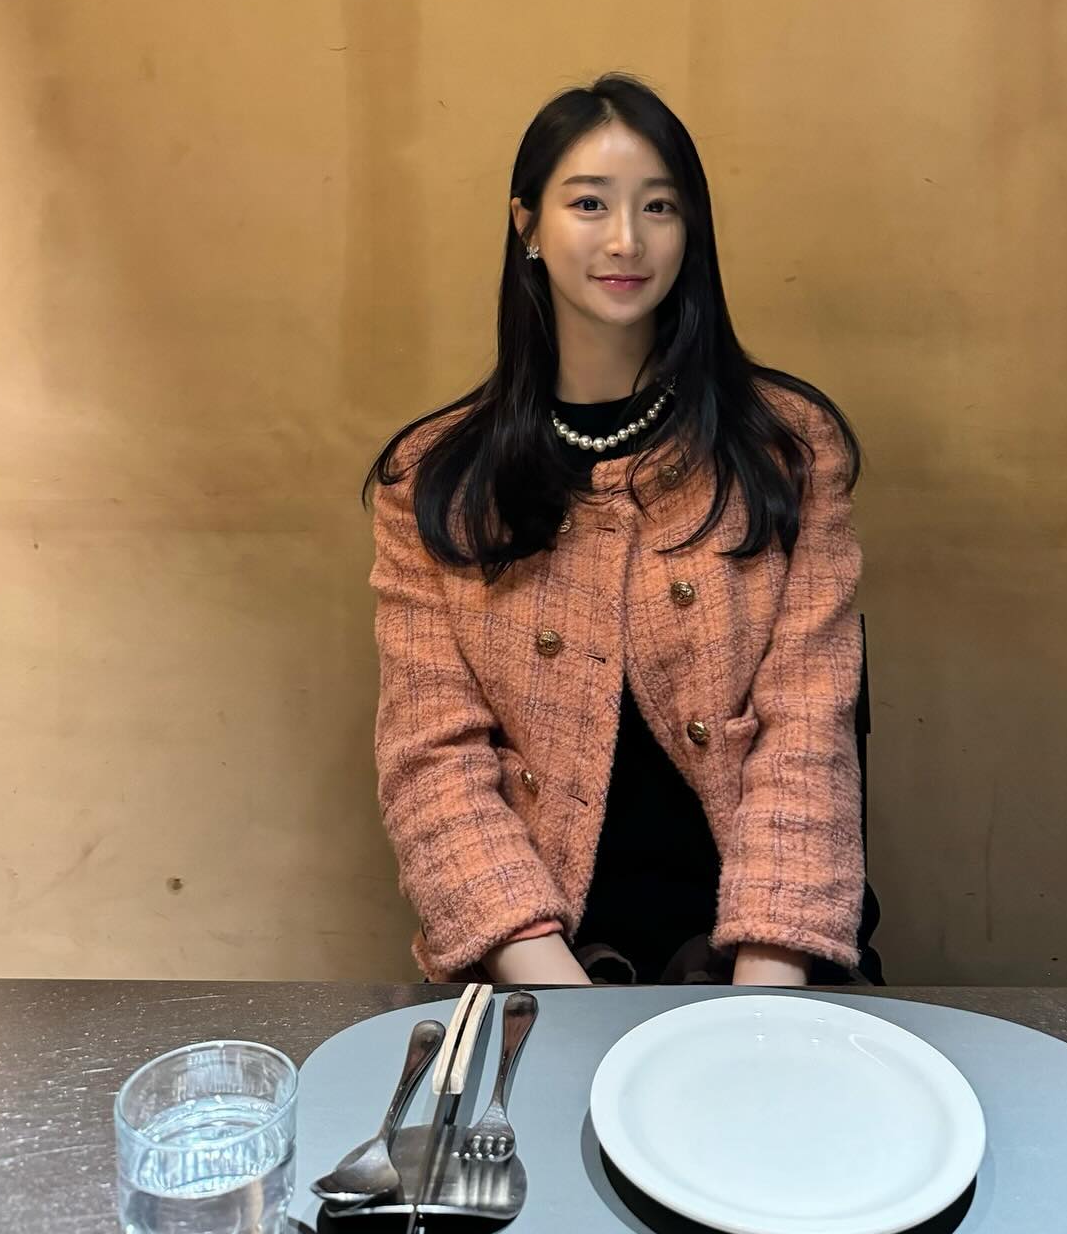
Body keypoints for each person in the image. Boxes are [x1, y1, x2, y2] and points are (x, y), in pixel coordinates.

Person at [364, 73, 870, 988]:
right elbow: (431, 760)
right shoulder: (436, 480)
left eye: (659, 206)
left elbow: (809, 723)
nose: (627, 239)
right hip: (541, 957)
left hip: (758, 946)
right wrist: (561, 1000)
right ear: (527, 223)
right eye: (590, 203)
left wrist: (764, 998)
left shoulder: (786, 449)